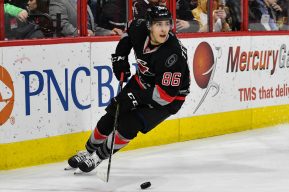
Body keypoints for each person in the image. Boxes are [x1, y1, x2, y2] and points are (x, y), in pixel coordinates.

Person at [66, 5, 191, 173]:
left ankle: (98, 157)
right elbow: (129, 31)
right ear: (149, 25)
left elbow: (165, 96)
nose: (163, 29)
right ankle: (87, 152)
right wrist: (121, 56)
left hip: (169, 99)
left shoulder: (173, 55)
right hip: (141, 83)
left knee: (129, 124)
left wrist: (134, 98)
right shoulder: (139, 27)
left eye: (167, 24)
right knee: (111, 115)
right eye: (158, 24)